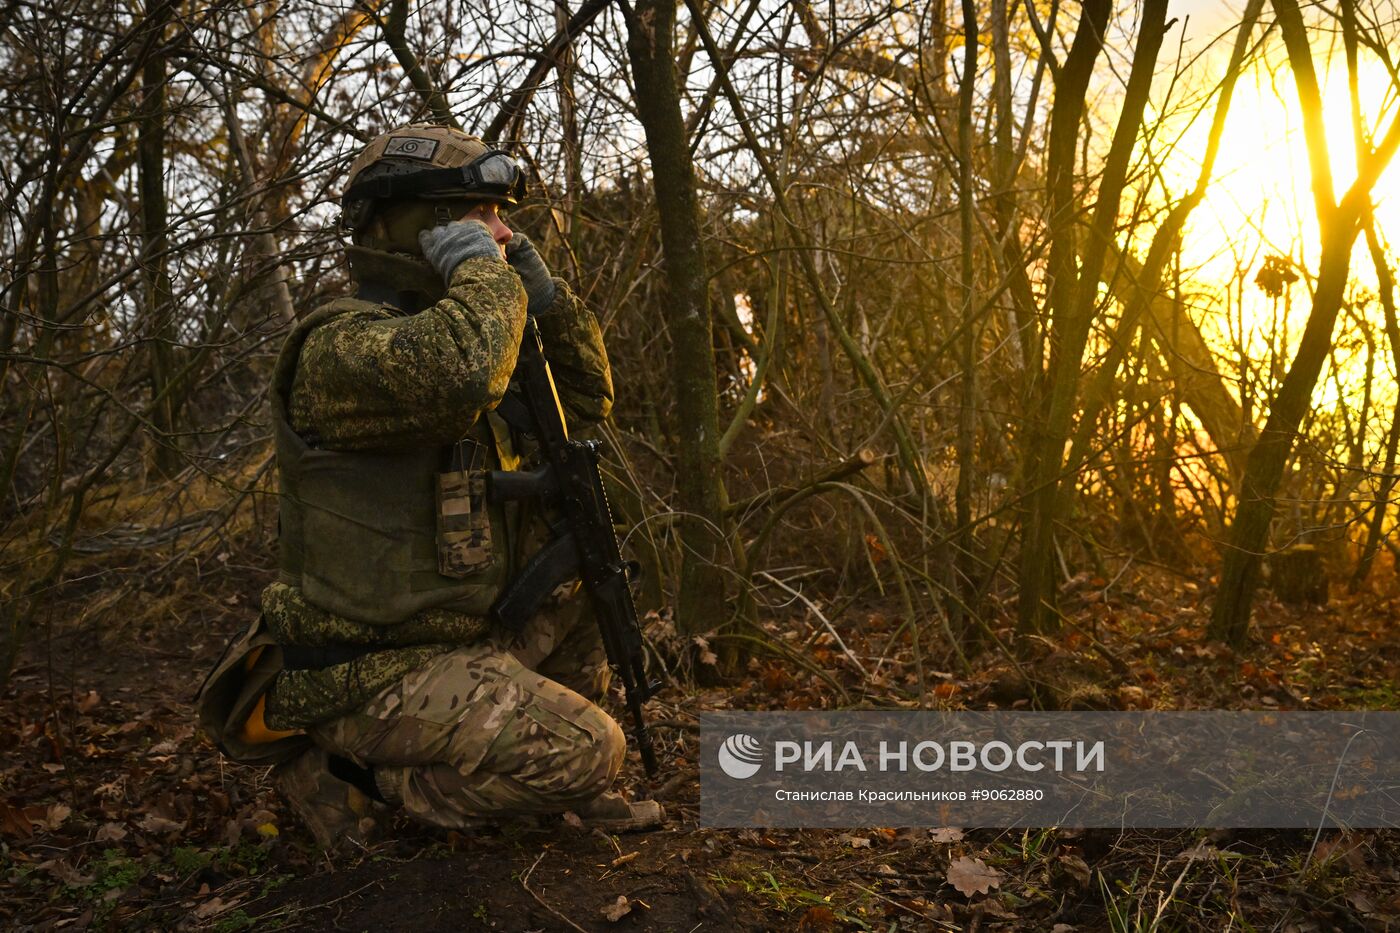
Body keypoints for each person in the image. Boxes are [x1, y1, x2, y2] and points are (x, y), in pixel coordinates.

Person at [197, 124, 664, 850]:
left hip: (456, 633)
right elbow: (462, 374)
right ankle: (348, 769)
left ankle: (547, 778)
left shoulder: (467, 326)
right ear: (399, 226)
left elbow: (584, 398)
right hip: (365, 668)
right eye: (475, 219)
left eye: (500, 220)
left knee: (583, 580)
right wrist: (487, 277)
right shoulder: (340, 346)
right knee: (591, 747)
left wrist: (544, 299)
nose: (501, 235)